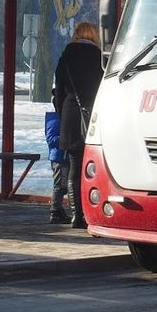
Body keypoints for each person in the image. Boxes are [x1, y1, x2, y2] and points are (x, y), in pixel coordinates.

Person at [53, 21, 102, 229]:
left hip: (72, 114)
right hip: (96, 115)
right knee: (94, 165)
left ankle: (77, 215)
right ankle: (93, 210)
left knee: (74, 164)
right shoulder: (99, 57)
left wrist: (62, 112)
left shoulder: (67, 55)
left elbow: (59, 90)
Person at [44, 107, 70, 224]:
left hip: (63, 156)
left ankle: (58, 210)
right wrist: (68, 137)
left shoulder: (59, 118)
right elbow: (51, 139)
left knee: (63, 185)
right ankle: (55, 211)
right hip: (60, 157)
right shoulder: (54, 119)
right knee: (60, 185)